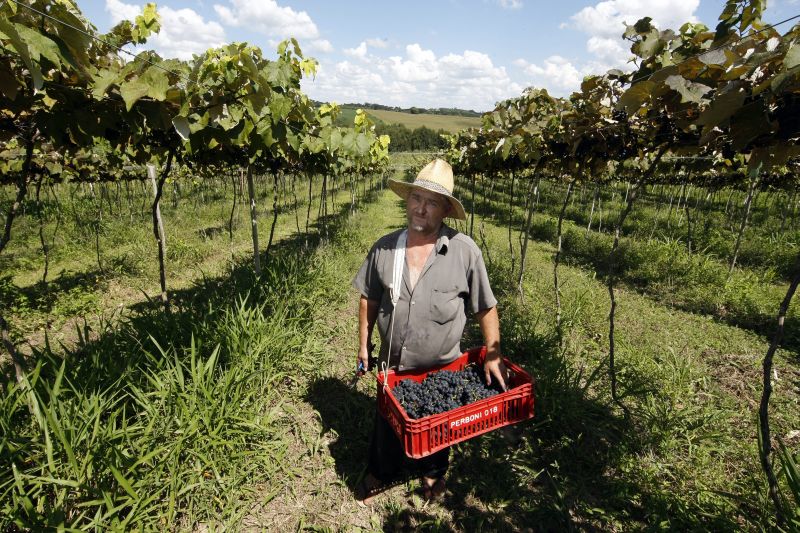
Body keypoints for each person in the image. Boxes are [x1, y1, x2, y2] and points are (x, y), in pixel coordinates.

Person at [351, 158, 507, 504]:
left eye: (432, 203)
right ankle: (382, 473)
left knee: (440, 429)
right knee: (386, 427)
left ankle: (433, 472)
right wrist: (364, 343)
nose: (420, 209)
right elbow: (369, 298)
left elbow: (485, 306)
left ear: (446, 210)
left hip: (442, 370)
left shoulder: (464, 252)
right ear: (407, 200)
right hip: (393, 367)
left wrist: (493, 353)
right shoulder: (385, 248)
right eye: (416, 198)